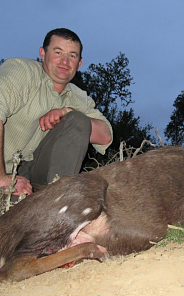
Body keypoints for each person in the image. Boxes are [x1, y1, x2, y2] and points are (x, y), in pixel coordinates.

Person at [0, 28, 112, 196]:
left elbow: (105, 136)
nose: (65, 61)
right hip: (4, 172)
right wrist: (2, 179)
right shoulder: (22, 72)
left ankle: (58, 199)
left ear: (79, 63)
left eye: (72, 56)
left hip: (32, 174)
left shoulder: (78, 97)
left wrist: (67, 111)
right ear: (43, 53)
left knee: (78, 119)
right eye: (58, 52)